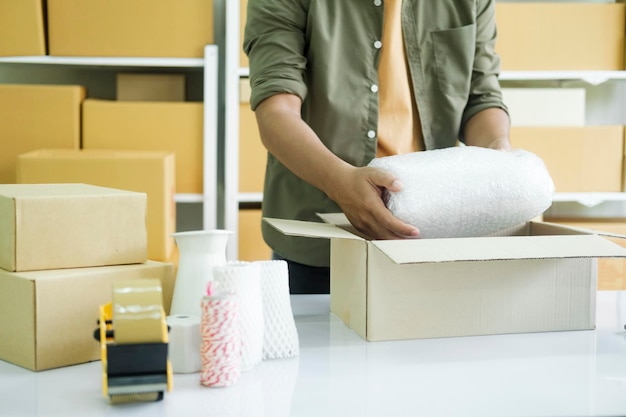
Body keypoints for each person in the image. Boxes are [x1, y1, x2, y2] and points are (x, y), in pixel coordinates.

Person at [243, 0, 511, 294]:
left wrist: (497, 150)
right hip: (321, 245)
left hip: (433, 240)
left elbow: (480, 96)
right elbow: (276, 111)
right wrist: (338, 183)